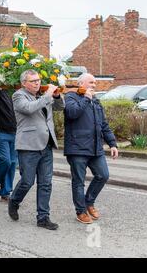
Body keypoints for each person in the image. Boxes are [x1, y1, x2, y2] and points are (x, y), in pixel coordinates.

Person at [8, 70, 65, 231]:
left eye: (38, 80)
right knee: (27, 181)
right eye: (32, 81)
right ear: (24, 83)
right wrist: (47, 94)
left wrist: (56, 96)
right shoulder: (18, 96)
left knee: (46, 183)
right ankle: (14, 200)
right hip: (28, 145)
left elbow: (60, 107)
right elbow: (28, 109)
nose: (37, 83)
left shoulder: (43, 95)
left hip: (46, 144)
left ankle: (43, 217)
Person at [64, 73, 119, 224]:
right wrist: (86, 99)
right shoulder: (71, 97)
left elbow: (104, 125)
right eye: (91, 82)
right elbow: (72, 113)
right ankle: (80, 211)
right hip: (77, 148)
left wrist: (112, 144)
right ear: (80, 83)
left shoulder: (96, 101)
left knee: (103, 175)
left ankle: (89, 202)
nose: (94, 85)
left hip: (95, 148)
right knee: (78, 181)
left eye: (95, 83)